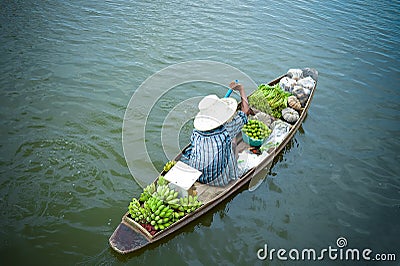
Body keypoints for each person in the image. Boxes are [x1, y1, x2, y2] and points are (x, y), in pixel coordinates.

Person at [182, 81, 250, 186]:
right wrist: (241, 89)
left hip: (198, 177)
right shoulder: (226, 130)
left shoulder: (196, 132)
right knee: (232, 141)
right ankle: (232, 176)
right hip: (219, 181)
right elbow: (245, 111)